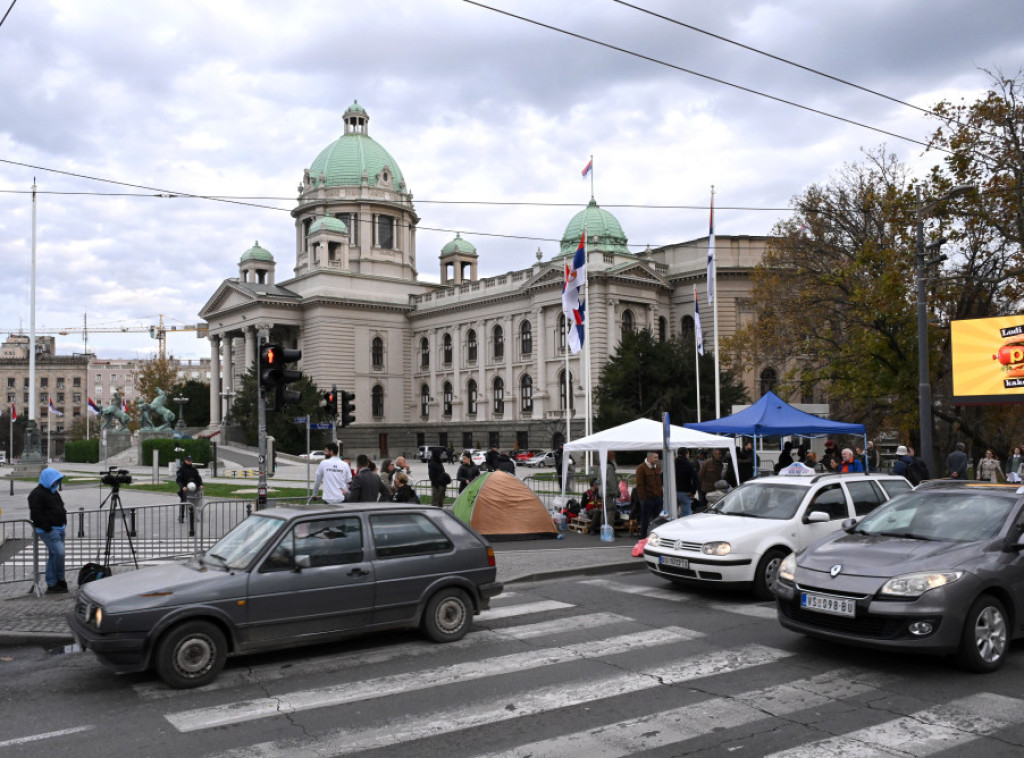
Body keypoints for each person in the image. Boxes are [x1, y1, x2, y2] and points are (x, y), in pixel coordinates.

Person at [29, 467, 67, 594]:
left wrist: (63, 520)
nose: (56, 483)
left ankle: (57, 580)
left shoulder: (53, 492)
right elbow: (36, 514)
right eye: (55, 481)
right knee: (59, 553)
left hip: (59, 527)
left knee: (55, 555)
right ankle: (53, 581)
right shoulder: (37, 494)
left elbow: (60, 506)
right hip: (49, 530)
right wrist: (47, 527)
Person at [635, 451, 663, 538]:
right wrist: (643, 497)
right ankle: (644, 536)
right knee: (645, 519)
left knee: (658, 518)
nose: (656, 459)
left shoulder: (657, 468)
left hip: (658, 497)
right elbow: (639, 484)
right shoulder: (641, 468)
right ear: (649, 457)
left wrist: (661, 494)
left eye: (657, 457)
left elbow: (660, 482)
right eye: (655, 457)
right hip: (647, 498)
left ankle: (656, 535)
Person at [176, 454, 204, 522]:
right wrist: (182, 487)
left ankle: (194, 517)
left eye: (190, 461)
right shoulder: (181, 469)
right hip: (185, 488)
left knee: (194, 502)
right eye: (188, 461)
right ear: (185, 461)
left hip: (194, 488)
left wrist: (200, 484)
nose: (189, 462)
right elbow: (178, 480)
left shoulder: (193, 469)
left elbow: (198, 477)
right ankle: (181, 517)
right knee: (183, 502)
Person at [674, 449, 698, 517]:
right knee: (686, 515)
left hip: (672, 493)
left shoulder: (672, 463)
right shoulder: (689, 464)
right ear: (687, 454)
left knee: (669, 515)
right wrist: (693, 492)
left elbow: (663, 477)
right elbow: (695, 479)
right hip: (685, 493)